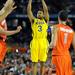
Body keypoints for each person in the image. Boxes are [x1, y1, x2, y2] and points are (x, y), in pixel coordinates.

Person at [27, 0, 49, 75]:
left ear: (43, 15)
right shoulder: (33, 20)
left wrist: (42, 0)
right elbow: (29, 11)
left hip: (43, 41)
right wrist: (30, 1)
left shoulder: (46, 20)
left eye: (40, 13)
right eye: (37, 13)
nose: (39, 14)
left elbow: (46, 10)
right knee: (34, 62)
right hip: (35, 41)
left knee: (43, 62)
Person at [49, 10, 75, 75]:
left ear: (58, 17)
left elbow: (53, 44)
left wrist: (46, 47)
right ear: (66, 19)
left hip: (57, 57)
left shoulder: (55, 28)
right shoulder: (72, 31)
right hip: (67, 58)